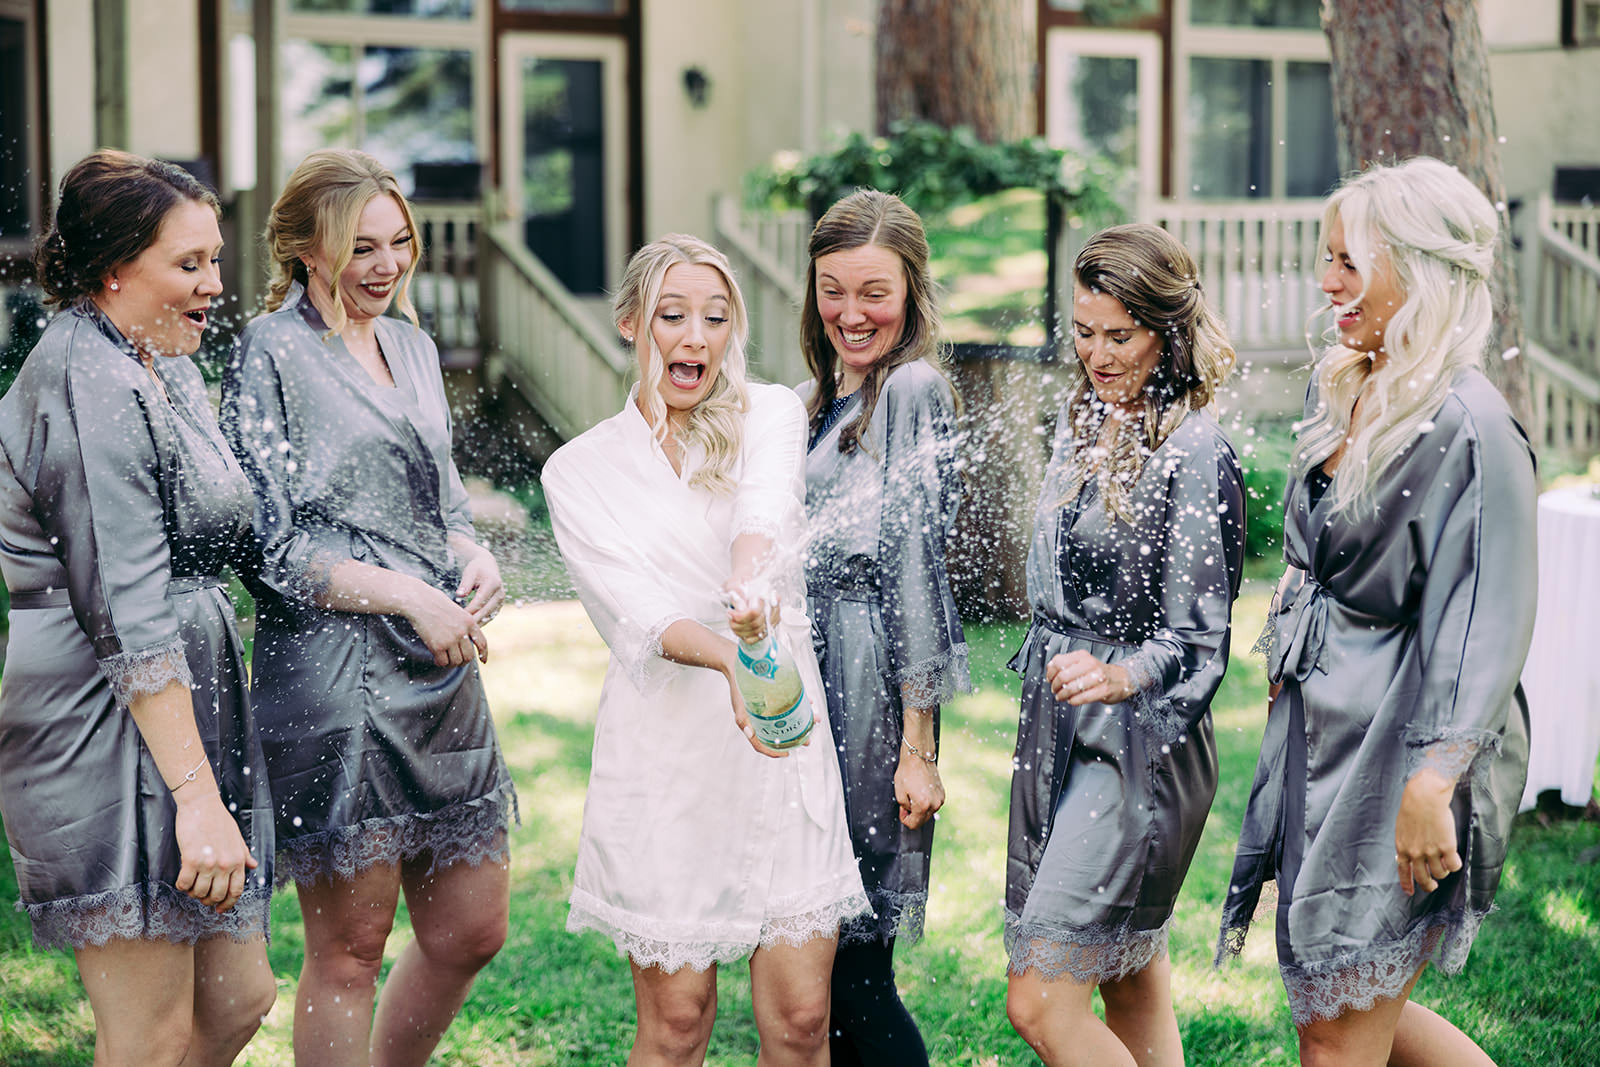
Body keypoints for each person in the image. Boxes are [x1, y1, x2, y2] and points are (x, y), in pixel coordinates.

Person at [1219, 157, 1537, 1067]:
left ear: (1419, 266)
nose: (1326, 283)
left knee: (1337, 1034)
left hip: (1407, 745)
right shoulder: (1355, 385)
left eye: (1348, 261)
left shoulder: (1472, 426)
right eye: (1328, 260)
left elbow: (1486, 619)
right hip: (1328, 734)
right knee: (1340, 1010)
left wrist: (1435, 781)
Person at [541, 234, 868, 1066]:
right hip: (668, 754)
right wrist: (730, 656)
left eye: (716, 318)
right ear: (629, 324)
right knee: (679, 1021)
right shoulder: (578, 472)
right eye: (673, 316)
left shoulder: (771, 412)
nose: (696, 337)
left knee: (800, 1019)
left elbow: (763, 511)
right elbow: (638, 614)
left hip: (778, 730)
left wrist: (751, 604)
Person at [222, 149, 515, 1067]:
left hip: (438, 660)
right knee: (349, 949)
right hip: (335, 673)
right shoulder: (270, 351)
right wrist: (406, 593)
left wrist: (473, 556)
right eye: (363, 248)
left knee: (472, 927)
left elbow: (447, 503)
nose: (388, 265)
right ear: (308, 250)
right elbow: (267, 543)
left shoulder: (416, 347)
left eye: (400, 243)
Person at [0, 149, 276, 1064]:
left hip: (182, 708)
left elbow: (230, 528)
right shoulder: (90, 381)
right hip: (102, 716)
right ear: (116, 267)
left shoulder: (162, 360)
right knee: (151, 1039)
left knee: (238, 998)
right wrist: (196, 799)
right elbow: (125, 609)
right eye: (189, 264)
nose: (213, 284)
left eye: (215, 259)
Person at [1004, 223, 1245, 1067]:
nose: (1097, 354)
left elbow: (1201, 636)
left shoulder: (1194, 449)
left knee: (1038, 999)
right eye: (1082, 331)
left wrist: (1117, 674)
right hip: (1069, 732)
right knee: (1130, 986)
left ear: (1166, 331)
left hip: (1140, 749)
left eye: (1120, 335)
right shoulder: (1090, 418)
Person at [795, 189, 969, 1066]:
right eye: (833, 289)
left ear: (911, 291)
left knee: (858, 972)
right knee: (813, 977)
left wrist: (917, 743)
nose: (851, 313)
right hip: (807, 684)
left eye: (875, 292)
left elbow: (917, 571)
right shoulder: (816, 395)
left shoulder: (911, 389)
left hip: (871, 685)